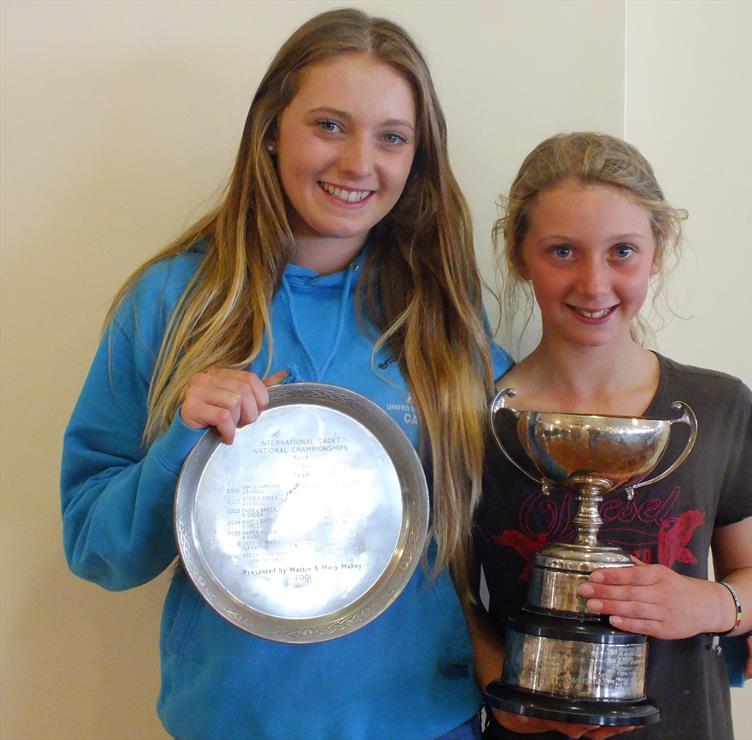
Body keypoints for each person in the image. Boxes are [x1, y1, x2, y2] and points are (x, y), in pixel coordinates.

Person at [60, 9, 513, 739]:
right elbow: (96, 550)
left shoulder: (447, 321)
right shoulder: (172, 302)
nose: (359, 163)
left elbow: (529, 505)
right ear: (271, 127)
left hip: (428, 723)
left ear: (417, 158)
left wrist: (719, 597)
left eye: (391, 137)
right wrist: (184, 439)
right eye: (329, 125)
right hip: (231, 721)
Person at [468, 132, 752, 740]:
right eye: (562, 251)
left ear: (657, 251)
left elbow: (751, 580)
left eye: (622, 251)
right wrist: (505, 688)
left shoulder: (717, 407)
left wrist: (710, 605)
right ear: (518, 254)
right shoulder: (473, 417)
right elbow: (450, 596)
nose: (594, 283)